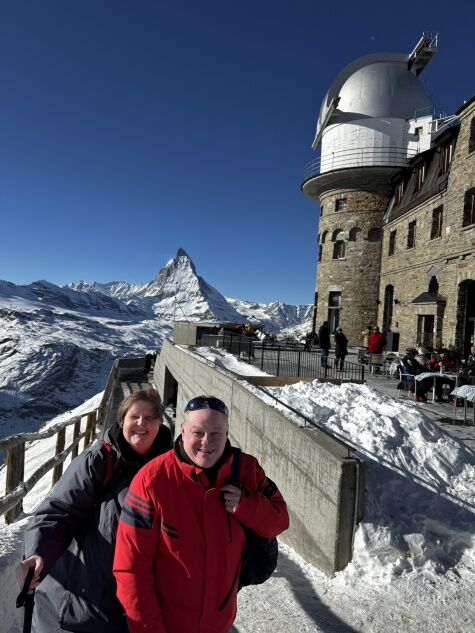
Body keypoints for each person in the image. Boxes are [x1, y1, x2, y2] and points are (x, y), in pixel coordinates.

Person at [113, 395, 289, 633]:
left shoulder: (246, 470)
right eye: (198, 433)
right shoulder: (151, 481)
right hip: (169, 625)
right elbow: (131, 570)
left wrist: (245, 505)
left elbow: (279, 520)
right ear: (183, 431)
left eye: (216, 433)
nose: (206, 442)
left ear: (227, 434)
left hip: (220, 622)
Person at [16, 388, 172, 633]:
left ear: (160, 424)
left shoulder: (169, 467)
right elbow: (58, 511)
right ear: (122, 422)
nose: (141, 423)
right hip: (77, 605)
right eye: (134, 417)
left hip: (131, 608)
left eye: (150, 417)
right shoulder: (100, 459)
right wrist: (38, 553)